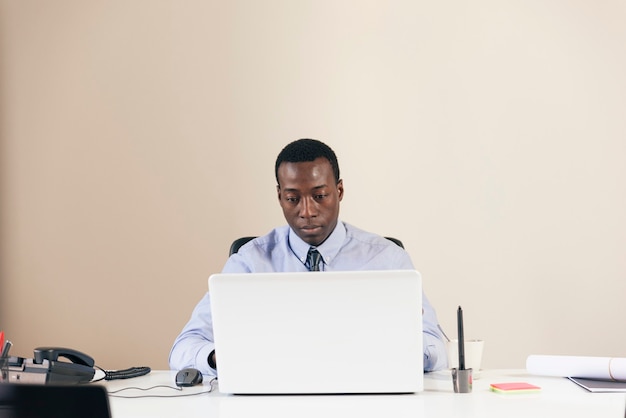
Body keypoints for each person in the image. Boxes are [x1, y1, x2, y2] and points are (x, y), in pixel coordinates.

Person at [169, 138, 448, 375]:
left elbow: (437, 347)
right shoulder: (249, 262)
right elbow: (184, 347)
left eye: (319, 196)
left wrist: (403, 344)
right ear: (279, 196)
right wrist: (225, 357)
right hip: (270, 397)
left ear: (339, 191)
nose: (307, 211)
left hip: (366, 394)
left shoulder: (388, 259)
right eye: (292, 199)